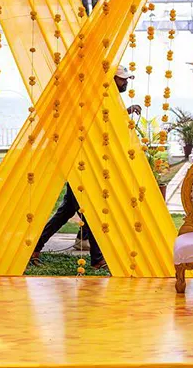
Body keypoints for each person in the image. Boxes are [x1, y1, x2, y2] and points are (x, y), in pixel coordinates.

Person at [30, 66, 142, 269]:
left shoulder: (107, 97)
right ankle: (97, 259)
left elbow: (105, 123)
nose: (126, 83)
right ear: (111, 78)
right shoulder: (98, 97)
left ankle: (36, 248)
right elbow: (95, 124)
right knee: (89, 211)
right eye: (122, 79)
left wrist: (125, 112)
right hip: (81, 165)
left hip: (85, 164)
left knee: (68, 212)